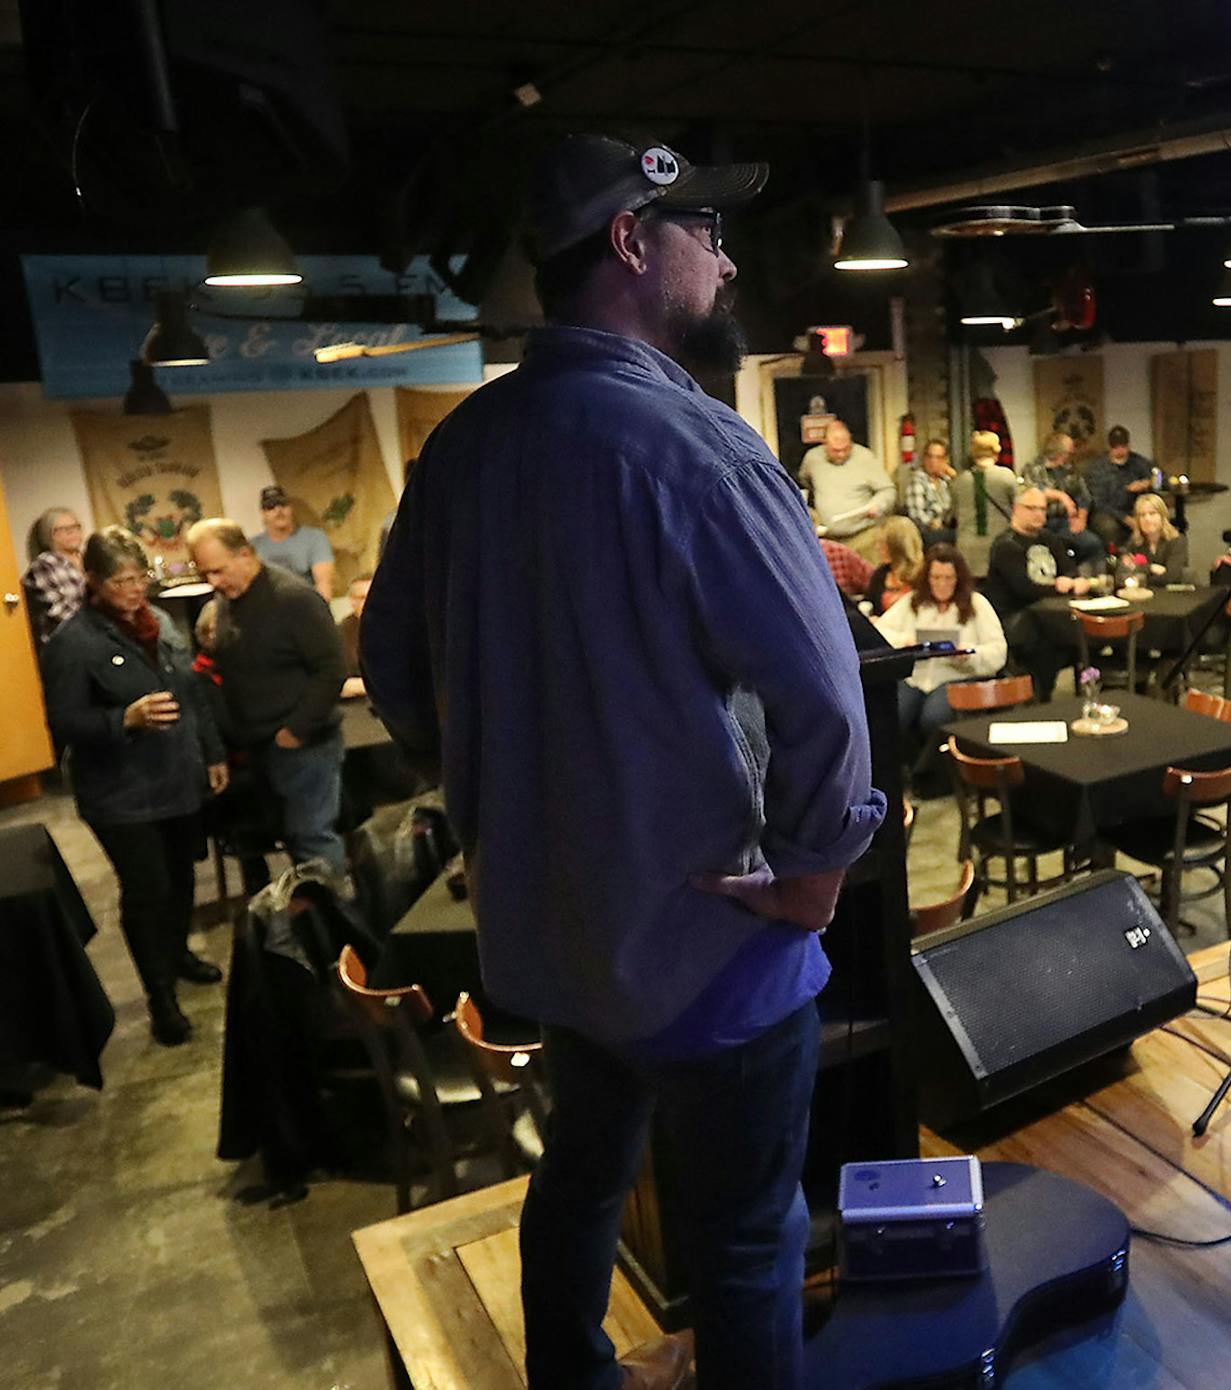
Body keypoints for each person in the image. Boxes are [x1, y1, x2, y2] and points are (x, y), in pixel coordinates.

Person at [362, 133, 883, 1390]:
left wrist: (509, 785)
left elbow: (390, 677)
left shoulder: (461, 451)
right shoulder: (704, 451)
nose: (724, 253)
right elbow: (826, 698)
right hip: (715, 946)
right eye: (700, 230)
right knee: (749, 1244)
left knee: (580, 1182)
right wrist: (819, 870)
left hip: (560, 941)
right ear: (630, 243)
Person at [43, 526, 228, 1046]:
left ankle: (179, 955)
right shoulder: (72, 643)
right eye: (120, 581)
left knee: (183, 881)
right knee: (148, 891)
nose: (132, 590)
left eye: (138, 577)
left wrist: (211, 753)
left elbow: (191, 692)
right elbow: (62, 723)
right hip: (121, 794)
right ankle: (160, 997)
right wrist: (122, 719)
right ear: (94, 582)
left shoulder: (162, 622)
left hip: (177, 780)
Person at [186, 519, 349, 881]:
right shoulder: (230, 598)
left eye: (218, 570)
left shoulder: (292, 598)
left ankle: (338, 929)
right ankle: (314, 924)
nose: (213, 581)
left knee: (313, 842)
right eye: (205, 573)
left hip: (303, 746)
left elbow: (331, 669)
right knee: (295, 842)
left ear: (245, 554)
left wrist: (296, 730)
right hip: (262, 747)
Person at [873, 544, 1007, 747]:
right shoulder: (914, 602)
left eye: (948, 578)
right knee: (894, 717)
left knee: (933, 718)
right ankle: (901, 772)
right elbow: (881, 632)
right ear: (927, 578)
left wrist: (968, 654)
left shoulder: (976, 604)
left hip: (956, 675)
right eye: (936, 578)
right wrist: (906, 643)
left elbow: (998, 650)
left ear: (958, 579)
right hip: (916, 676)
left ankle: (931, 771)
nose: (942, 584)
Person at [979, 487, 1082, 698]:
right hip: (1015, 621)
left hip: (1050, 616)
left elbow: (1070, 568)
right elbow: (1025, 589)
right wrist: (1059, 586)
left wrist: (1072, 581)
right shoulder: (1006, 545)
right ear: (1016, 509)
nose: (1038, 514)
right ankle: (1039, 699)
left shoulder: (1048, 538)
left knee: (1082, 636)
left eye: (1043, 509)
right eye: (1032, 508)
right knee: (1051, 641)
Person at [797, 419, 893, 560]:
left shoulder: (865, 457)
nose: (841, 454)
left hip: (863, 537)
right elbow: (805, 483)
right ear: (825, 444)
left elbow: (887, 489)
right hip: (829, 539)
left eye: (846, 449)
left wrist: (878, 505)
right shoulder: (812, 459)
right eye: (836, 450)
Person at [1020, 431, 1106, 565]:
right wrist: (1061, 496)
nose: (1072, 453)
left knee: (1093, 544)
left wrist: (1081, 519)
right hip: (1040, 523)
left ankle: (1092, 581)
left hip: (1064, 522)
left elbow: (1084, 496)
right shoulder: (1032, 468)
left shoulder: (1070, 469)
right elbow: (1032, 491)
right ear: (1059, 452)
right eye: (1069, 451)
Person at [251, 485, 336, 601]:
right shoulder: (252, 546)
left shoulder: (314, 537)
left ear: (291, 508)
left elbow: (324, 583)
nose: (278, 511)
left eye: (283, 505)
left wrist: (320, 613)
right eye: (271, 507)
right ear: (263, 514)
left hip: (307, 606)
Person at [1084, 425, 1155, 553]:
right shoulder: (1097, 469)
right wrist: (1126, 519)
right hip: (1107, 513)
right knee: (1109, 527)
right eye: (1116, 447)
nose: (1120, 450)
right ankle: (1115, 559)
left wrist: (1147, 483)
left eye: (1124, 446)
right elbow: (1100, 503)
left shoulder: (1138, 462)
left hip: (1134, 509)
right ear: (1109, 447)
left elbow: (1161, 478)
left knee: (1154, 519)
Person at [24, 506, 88, 644]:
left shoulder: (89, 558)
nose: (72, 532)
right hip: (69, 641)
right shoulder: (45, 564)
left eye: (75, 527)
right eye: (63, 529)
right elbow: (60, 613)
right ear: (48, 535)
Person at [902, 437, 958, 548]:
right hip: (926, 534)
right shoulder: (918, 481)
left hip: (947, 529)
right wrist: (932, 523)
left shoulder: (946, 481)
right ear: (924, 458)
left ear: (945, 460)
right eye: (930, 456)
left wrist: (954, 477)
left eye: (938, 457)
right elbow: (917, 515)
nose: (933, 461)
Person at [863, 516, 924, 614]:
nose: (877, 548)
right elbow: (869, 605)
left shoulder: (924, 575)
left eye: (883, 544)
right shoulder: (879, 575)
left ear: (898, 546)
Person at [1125, 492, 1188, 583]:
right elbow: (1122, 573)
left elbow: (1172, 577)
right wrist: (1150, 568)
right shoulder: (1134, 541)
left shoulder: (1177, 540)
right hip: (1142, 593)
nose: (1147, 519)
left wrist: (1139, 575)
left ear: (1162, 516)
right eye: (1142, 515)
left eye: (1152, 513)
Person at [967, 429, 1018, 531]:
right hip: (1000, 540)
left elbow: (953, 514)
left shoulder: (961, 480)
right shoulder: (1006, 475)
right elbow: (1018, 506)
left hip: (966, 542)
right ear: (996, 451)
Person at [339, 573, 371, 700]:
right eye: (363, 597)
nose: (369, 602)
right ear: (352, 601)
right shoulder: (341, 634)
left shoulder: (400, 627)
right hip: (357, 706)